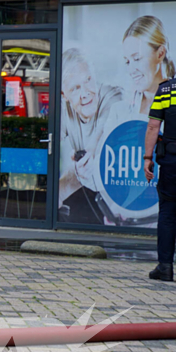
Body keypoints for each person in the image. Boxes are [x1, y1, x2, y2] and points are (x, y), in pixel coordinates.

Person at [58, 48, 123, 224]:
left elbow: (102, 129)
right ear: (63, 95)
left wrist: (89, 154)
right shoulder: (64, 112)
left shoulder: (113, 96)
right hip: (93, 199)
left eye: (88, 80)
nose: (86, 92)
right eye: (76, 88)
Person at [144, 74, 176, 283]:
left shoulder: (167, 89)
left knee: (168, 211)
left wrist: (148, 158)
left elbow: (153, 127)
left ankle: (165, 267)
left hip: (172, 161)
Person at [123, 16, 174, 117]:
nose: (131, 70)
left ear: (160, 54)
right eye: (127, 62)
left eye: (137, 58)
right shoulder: (120, 110)